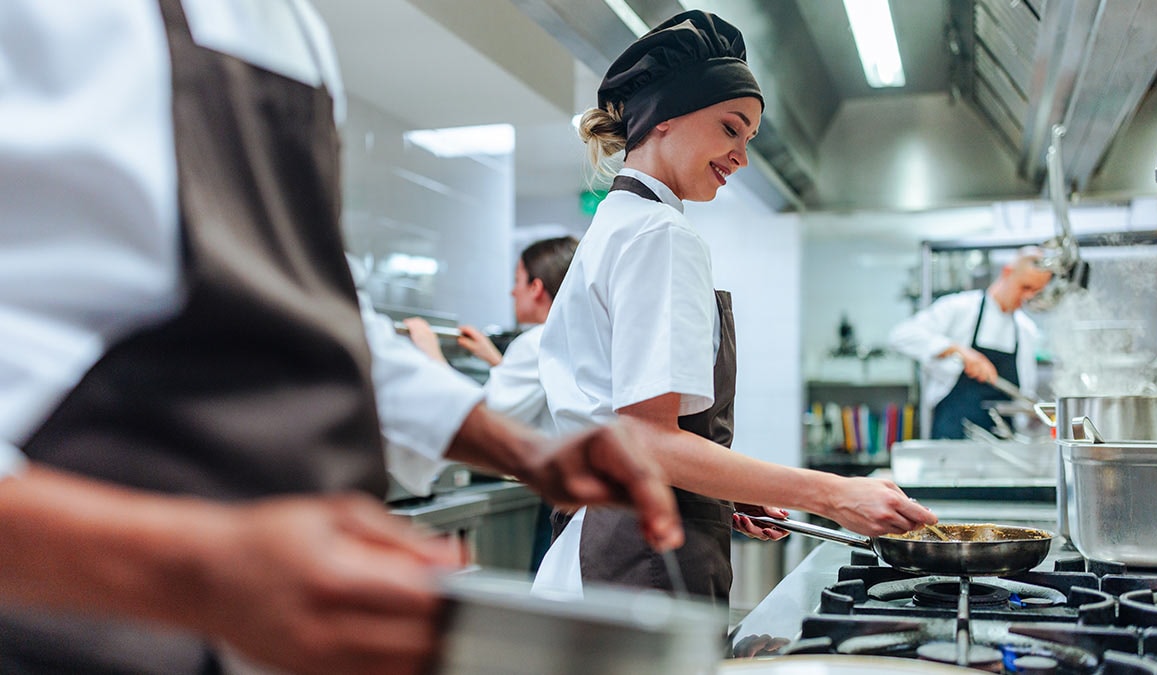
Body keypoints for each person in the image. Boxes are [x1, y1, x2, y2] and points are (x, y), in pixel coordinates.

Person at [0, 3, 681, 674]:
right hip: (61, 621)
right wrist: (199, 563)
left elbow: (338, 324)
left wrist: (531, 449)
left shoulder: (294, 31)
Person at [532, 9, 937, 603]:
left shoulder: (617, 225)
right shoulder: (659, 235)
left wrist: (721, 487)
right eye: (730, 127)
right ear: (664, 117)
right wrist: (833, 493)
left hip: (604, 549)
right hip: (637, 561)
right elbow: (649, 440)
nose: (741, 156)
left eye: (748, 138)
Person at [403, 237, 578, 568]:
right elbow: (544, 392)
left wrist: (429, 350)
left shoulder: (534, 342)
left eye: (517, 281)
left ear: (536, 288)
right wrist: (496, 360)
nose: (512, 292)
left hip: (559, 495)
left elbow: (484, 415)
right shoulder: (568, 334)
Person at [889, 246, 1053, 439]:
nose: (1028, 297)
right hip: (951, 438)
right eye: (1025, 287)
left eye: (1035, 291)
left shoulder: (1026, 330)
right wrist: (958, 351)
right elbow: (900, 335)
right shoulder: (960, 308)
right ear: (1007, 272)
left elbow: (1024, 392)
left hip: (1003, 448)